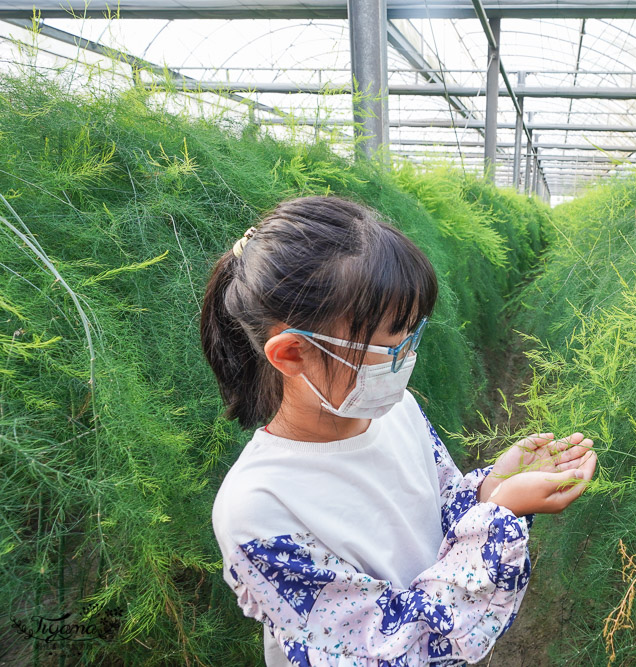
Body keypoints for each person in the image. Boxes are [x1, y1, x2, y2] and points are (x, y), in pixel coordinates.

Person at [199, 195, 597, 666]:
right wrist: (501, 515)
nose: (407, 358)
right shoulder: (258, 509)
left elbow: (437, 510)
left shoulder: (396, 410)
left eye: (414, 336)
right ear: (291, 354)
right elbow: (391, 647)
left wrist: (491, 489)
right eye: (391, 344)